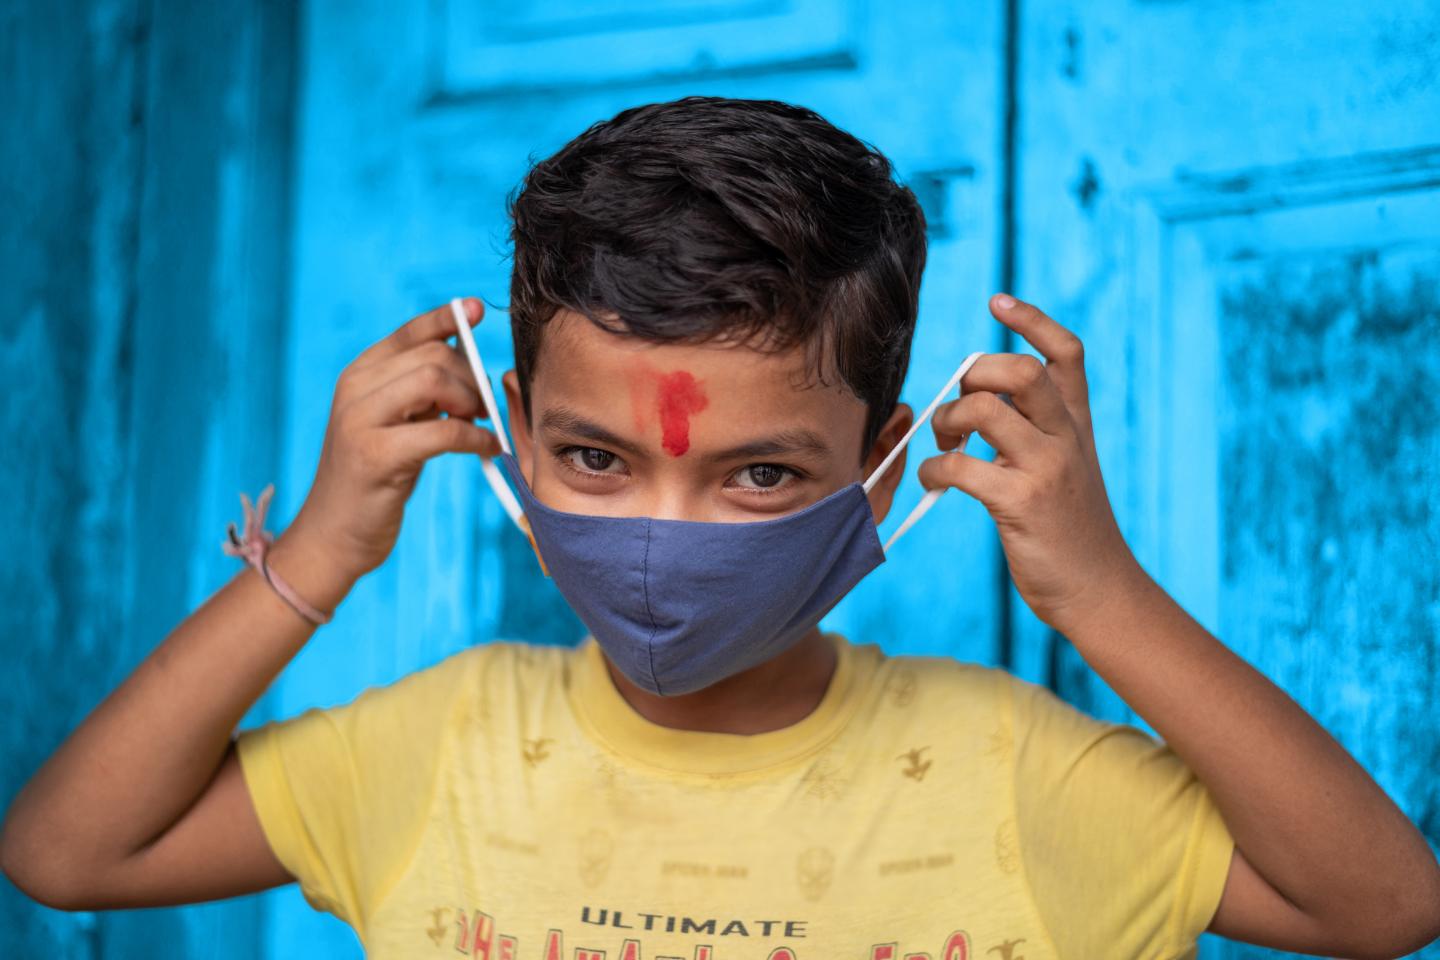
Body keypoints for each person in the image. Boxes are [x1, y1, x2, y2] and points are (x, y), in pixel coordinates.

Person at [3, 96, 1437, 960]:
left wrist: (1105, 594)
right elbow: (68, 855)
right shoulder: (437, 750)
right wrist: (316, 554)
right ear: (501, 429)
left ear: (886, 471)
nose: (658, 532)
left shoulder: (1012, 772)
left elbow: (1383, 906)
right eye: (591, 457)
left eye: (758, 475)